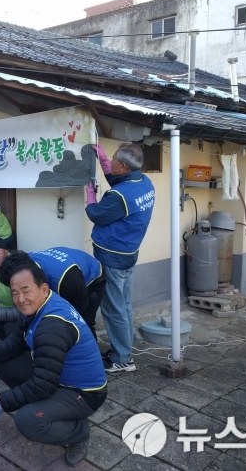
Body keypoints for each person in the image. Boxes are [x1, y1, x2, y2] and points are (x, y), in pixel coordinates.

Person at [0, 255, 106, 467]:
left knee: (28, 421)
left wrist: (0, 402)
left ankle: (79, 432)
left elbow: (43, 385)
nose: (21, 299)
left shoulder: (52, 326)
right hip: (58, 376)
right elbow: (17, 339)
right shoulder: (40, 304)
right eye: (15, 293)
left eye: (26, 291)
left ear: (43, 288)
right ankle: (51, 409)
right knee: (4, 365)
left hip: (83, 393)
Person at [85, 142, 155, 373]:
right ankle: (122, 349)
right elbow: (116, 180)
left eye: (113, 159)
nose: (111, 161)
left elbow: (96, 214)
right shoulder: (143, 182)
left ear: (123, 166)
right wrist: (102, 160)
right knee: (123, 305)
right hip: (128, 253)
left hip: (112, 257)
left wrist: (90, 192)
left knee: (113, 308)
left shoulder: (119, 196)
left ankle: (123, 359)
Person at [0, 246, 105, 341]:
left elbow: (78, 308)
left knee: (82, 322)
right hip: (63, 267)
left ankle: (91, 363)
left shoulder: (66, 280)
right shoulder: (22, 262)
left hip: (92, 276)